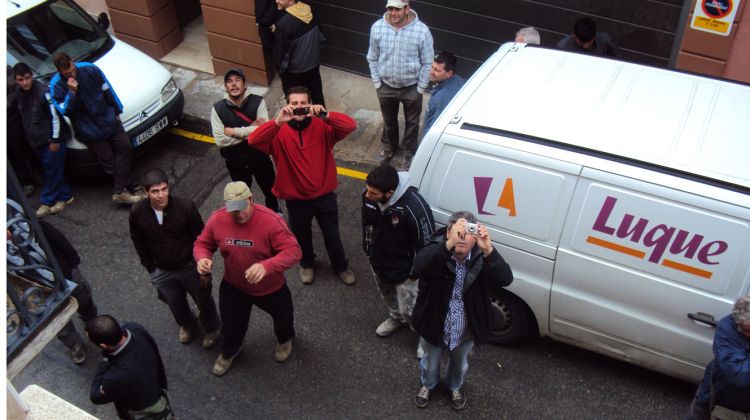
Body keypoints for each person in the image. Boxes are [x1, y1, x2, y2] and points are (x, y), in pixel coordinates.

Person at [248, 86, 356, 286]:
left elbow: (350, 126)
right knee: (301, 235)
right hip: (296, 199)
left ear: (310, 104)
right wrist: (277, 121)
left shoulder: (322, 126)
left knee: (332, 234)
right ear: (287, 106)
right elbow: (253, 140)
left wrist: (326, 115)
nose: (299, 107)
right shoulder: (277, 132)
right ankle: (306, 263)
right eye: (294, 104)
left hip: (324, 196)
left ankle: (341, 266)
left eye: (303, 104)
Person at [194, 181, 302, 376]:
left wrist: (266, 266)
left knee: (283, 316)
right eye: (233, 209)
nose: (238, 214)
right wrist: (203, 258)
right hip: (234, 284)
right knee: (231, 322)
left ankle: (285, 339)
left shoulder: (271, 221)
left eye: (242, 207)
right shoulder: (217, 219)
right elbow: (203, 243)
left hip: (270, 287)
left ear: (251, 199)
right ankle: (230, 351)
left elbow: (293, 251)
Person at [411, 211, 513, 411]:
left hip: (465, 329)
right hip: (434, 323)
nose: (463, 238)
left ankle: (454, 386)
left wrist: (489, 250)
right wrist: (447, 245)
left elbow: (505, 279)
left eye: (469, 233)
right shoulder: (437, 250)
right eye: (458, 232)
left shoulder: (482, 258)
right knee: (430, 362)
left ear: (476, 237)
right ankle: (428, 384)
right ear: (448, 232)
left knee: (459, 364)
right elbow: (417, 269)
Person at [129, 168, 221, 348]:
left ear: (169, 187)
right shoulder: (137, 212)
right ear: (145, 192)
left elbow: (201, 238)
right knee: (174, 302)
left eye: (164, 189)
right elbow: (137, 240)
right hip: (161, 270)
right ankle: (187, 324)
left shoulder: (186, 207)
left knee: (203, 299)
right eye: (155, 191)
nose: (161, 195)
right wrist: (150, 267)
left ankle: (213, 328)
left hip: (189, 267)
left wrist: (201, 265)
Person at [49, 52, 143, 205]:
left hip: (108, 119)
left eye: (72, 69)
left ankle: (120, 190)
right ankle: (128, 186)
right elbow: (65, 111)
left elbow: (107, 89)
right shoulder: (56, 86)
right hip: (89, 130)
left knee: (126, 148)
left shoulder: (90, 69)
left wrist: (117, 110)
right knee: (109, 162)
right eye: (67, 73)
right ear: (59, 72)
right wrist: (72, 93)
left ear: (73, 61)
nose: (72, 74)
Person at [362, 164, 434, 340]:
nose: (367, 196)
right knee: (388, 297)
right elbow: (367, 224)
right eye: (367, 190)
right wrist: (369, 251)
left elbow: (425, 244)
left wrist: (414, 274)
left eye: (373, 193)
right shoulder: (369, 198)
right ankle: (396, 318)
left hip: (406, 272)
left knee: (411, 307)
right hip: (379, 262)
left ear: (389, 193)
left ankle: (423, 336)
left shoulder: (414, 208)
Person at [367, 0, 434, 170]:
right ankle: (389, 148)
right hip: (386, 86)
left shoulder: (422, 31)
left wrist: (420, 88)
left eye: (397, 9)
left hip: (411, 88)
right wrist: (377, 83)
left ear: (407, 8)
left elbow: (427, 62)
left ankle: (409, 152)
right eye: (390, 8)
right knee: (389, 121)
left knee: (412, 123)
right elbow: (372, 57)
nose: (393, 13)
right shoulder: (377, 27)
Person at [10, 62, 74, 218]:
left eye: (27, 78)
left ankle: (46, 201)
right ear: (16, 80)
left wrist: (54, 139)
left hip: (50, 141)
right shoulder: (18, 92)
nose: (25, 82)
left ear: (31, 75)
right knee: (51, 170)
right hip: (36, 141)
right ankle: (65, 196)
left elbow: (55, 117)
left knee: (52, 171)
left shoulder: (43, 92)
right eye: (20, 79)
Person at [211, 68, 280, 213]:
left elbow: (265, 132)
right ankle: (248, 221)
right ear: (225, 87)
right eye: (229, 81)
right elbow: (220, 141)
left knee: (272, 193)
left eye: (237, 80)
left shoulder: (258, 101)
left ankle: (276, 217)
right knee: (242, 198)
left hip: (261, 160)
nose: (233, 84)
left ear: (245, 84)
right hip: (236, 164)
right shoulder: (217, 109)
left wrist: (235, 132)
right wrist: (252, 130)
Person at [86, 315, 172, 419]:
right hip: (157, 388)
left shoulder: (115, 376)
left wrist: (105, 360)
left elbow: (95, 396)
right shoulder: (135, 328)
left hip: (144, 408)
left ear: (104, 346)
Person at [686, 296, 750, 420]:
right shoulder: (727, 329)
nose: (748, 334)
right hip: (718, 397)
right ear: (738, 323)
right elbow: (739, 374)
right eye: (747, 330)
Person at [273, 0, 326, 106]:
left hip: (294, 73)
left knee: (296, 105)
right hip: (313, 66)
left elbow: (279, 57)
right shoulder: (311, 11)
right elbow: (320, 37)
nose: (276, 0)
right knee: (317, 98)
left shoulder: (284, 25)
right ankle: (322, 120)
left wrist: (282, 72)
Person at [423, 52, 466, 138]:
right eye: (432, 67)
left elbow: (433, 134)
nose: (431, 72)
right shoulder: (458, 80)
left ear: (449, 74)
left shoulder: (440, 100)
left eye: (437, 70)